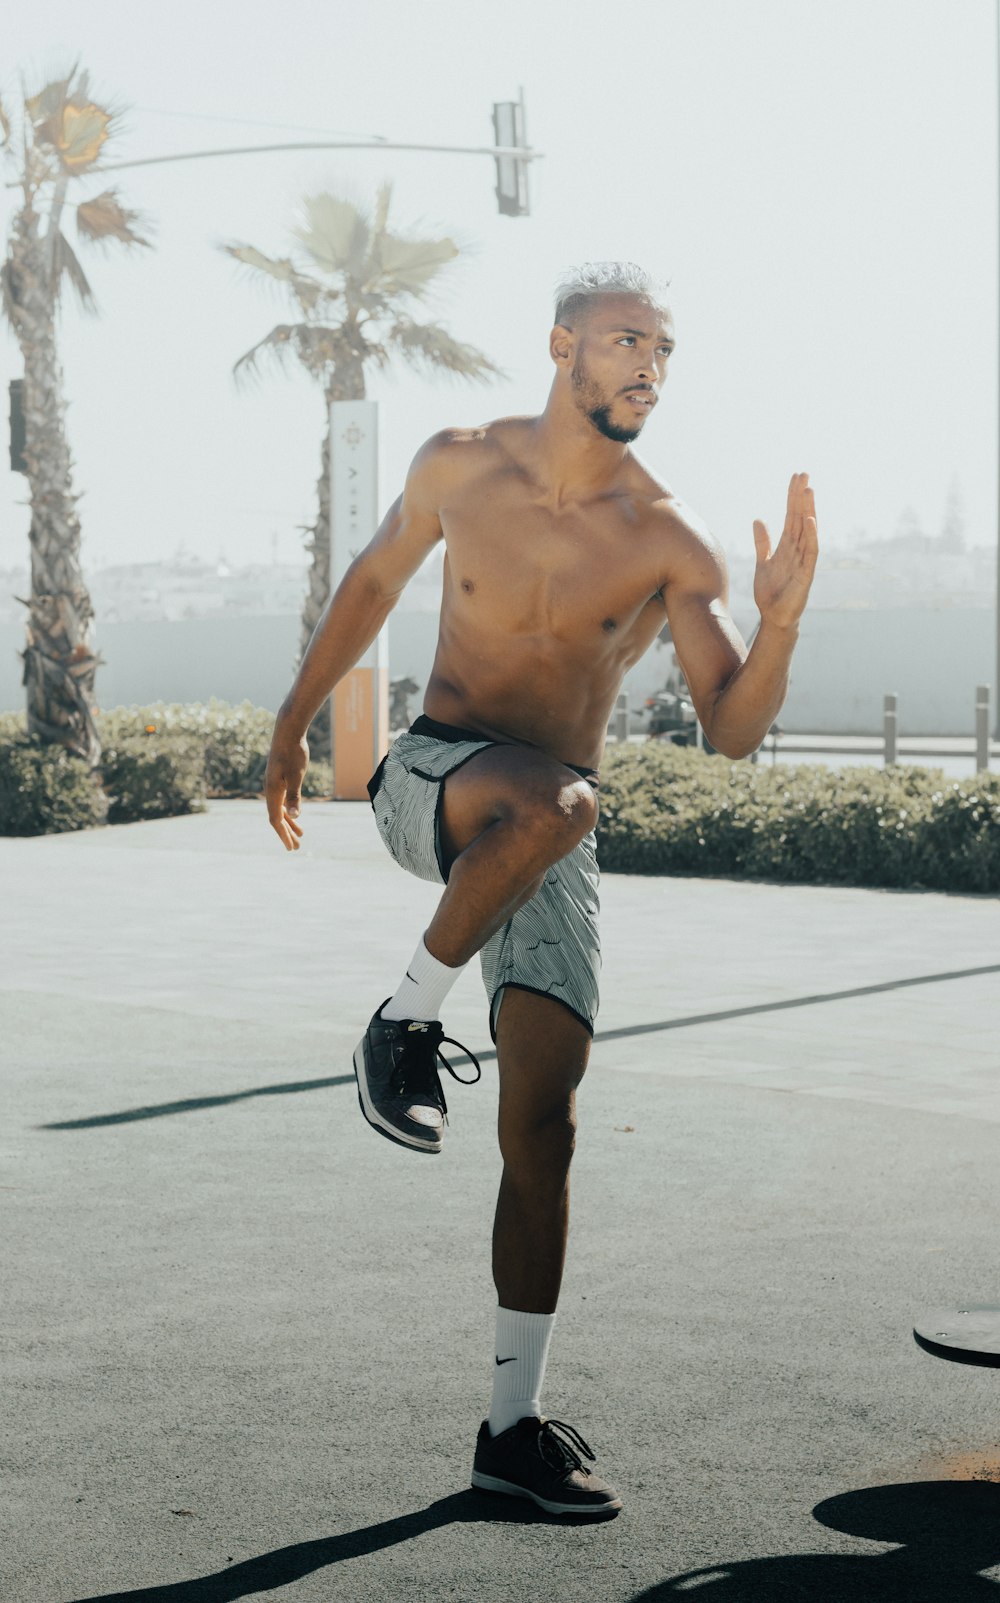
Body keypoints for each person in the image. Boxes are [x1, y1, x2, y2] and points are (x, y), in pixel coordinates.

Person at [265, 260, 819, 1519]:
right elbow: (370, 585)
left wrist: (779, 622)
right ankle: (403, 1018)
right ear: (562, 345)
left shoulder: (667, 538)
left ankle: (508, 1430)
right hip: (439, 783)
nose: (648, 369)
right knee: (558, 801)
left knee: (545, 1126)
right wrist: (295, 722)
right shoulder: (460, 463)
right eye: (629, 341)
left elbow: (730, 729)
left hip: (549, 829)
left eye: (666, 354)